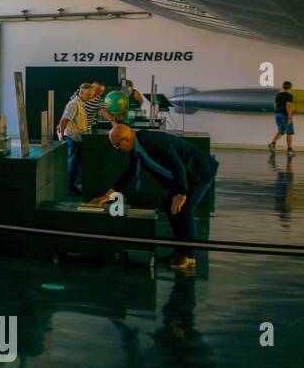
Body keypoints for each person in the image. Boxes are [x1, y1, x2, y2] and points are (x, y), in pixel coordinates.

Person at [91, 123, 219, 272]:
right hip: (182, 176)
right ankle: (181, 251)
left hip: (199, 171)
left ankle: (189, 257)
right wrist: (108, 195)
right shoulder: (136, 148)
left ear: (125, 139)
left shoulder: (151, 141)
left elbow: (177, 165)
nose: (118, 150)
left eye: (116, 146)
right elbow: (128, 174)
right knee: (170, 207)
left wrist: (181, 194)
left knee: (184, 210)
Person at [57, 82, 96, 196]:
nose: (91, 97)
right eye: (89, 95)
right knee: (72, 163)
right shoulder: (74, 104)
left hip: (78, 139)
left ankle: (73, 186)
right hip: (72, 138)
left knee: (76, 164)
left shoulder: (81, 103)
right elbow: (64, 121)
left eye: (91, 95)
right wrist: (62, 139)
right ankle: (69, 188)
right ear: (81, 92)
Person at [269, 81, 296, 157]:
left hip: (277, 115)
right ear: (290, 87)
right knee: (289, 133)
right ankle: (289, 150)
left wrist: (277, 114)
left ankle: (272, 144)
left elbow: (275, 106)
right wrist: (290, 117)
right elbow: (288, 106)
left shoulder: (278, 95)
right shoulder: (289, 96)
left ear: (283, 86)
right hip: (285, 115)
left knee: (281, 131)